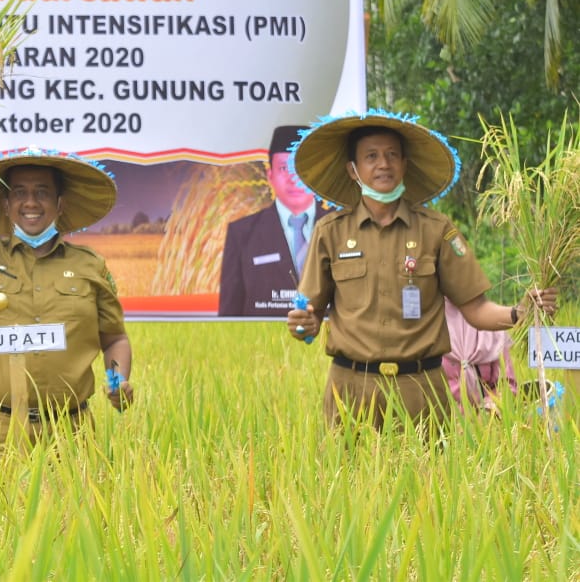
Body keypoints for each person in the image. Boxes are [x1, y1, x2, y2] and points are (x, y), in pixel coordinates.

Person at [285, 109, 557, 431]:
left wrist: (519, 312)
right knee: (348, 477)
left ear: (404, 165)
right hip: (351, 390)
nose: (383, 164)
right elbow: (311, 315)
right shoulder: (330, 232)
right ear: (353, 169)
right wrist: (304, 324)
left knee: (429, 480)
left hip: (422, 390)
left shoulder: (436, 231)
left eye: (392, 155)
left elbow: (476, 309)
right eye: (371, 156)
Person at [0, 120, 134, 444]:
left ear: (60, 204)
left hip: (69, 433)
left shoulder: (89, 265)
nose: (31, 202)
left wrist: (120, 380)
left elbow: (115, 338)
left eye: (42, 192)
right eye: (20, 193)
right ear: (6, 204)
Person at [219, 125, 330, 317]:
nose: (293, 178)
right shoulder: (242, 233)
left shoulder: (342, 228)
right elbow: (229, 315)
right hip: (261, 344)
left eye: (302, 167)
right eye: (284, 168)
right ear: (270, 176)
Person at [440, 298, 518, 414]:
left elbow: (507, 385)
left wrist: (487, 411)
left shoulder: (492, 324)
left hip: (489, 423)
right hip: (444, 422)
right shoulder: (428, 325)